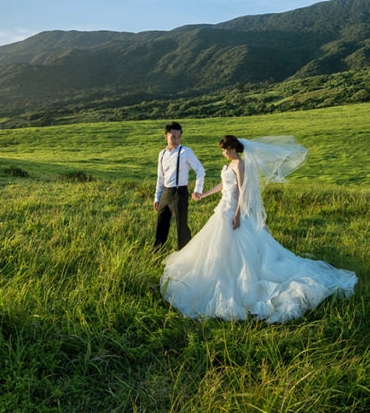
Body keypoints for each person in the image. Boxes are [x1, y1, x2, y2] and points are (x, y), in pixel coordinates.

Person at [160, 135, 357, 323]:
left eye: (224, 150)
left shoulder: (240, 165)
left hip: (232, 211)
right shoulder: (230, 164)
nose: (223, 154)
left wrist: (237, 214)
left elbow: (243, 190)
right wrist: (204, 194)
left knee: (236, 248)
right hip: (222, 208)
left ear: (232, 149)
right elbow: (224, 185)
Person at [153, 121, 205, 252]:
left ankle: (185, 255)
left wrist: (197, 190)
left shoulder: (186, 151)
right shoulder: (162, 154)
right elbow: (160, 177)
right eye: (173, 137)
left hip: (179, 192)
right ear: (166, 137)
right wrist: (157, 197)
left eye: (179, 136)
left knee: (181, 227)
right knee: (161, 225)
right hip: (166, 192)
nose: (176, 140)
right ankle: (156, 254)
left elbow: (200, 170)